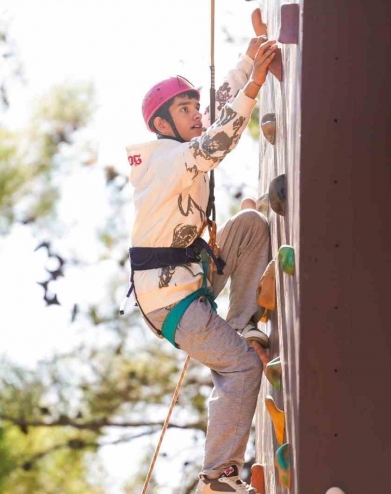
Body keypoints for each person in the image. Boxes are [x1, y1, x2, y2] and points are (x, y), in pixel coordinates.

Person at [125, 34, 279, 493]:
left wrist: (246, 63)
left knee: (249, 226)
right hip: (170, 301)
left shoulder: (184, 138)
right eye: (184, 109)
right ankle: (219, 477)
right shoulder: (166, 160)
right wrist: (255, 86)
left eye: (194, 105)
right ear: (161, 124)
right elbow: (216, 144)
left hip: (191, 280)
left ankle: (244, 324)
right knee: (241, 369)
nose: (195, 113)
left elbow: (218, 107)